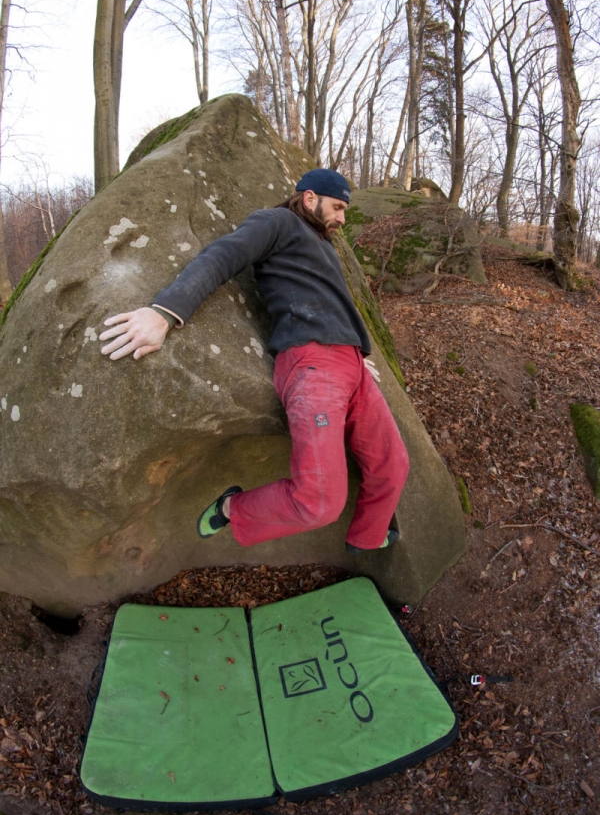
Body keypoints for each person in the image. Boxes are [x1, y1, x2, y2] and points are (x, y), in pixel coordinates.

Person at [100, 168, 409, 554]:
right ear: (310, 199)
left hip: (350, 365)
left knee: (393, 465)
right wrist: (165, 311)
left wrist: (356, 349)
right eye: (338, 207)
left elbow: (334, 304)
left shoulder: (324, 247)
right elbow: (223, 255)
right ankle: (232, 507)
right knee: (320, 503)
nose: (343, 219)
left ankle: (365, 538)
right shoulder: (277, 221)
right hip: (314, 365)